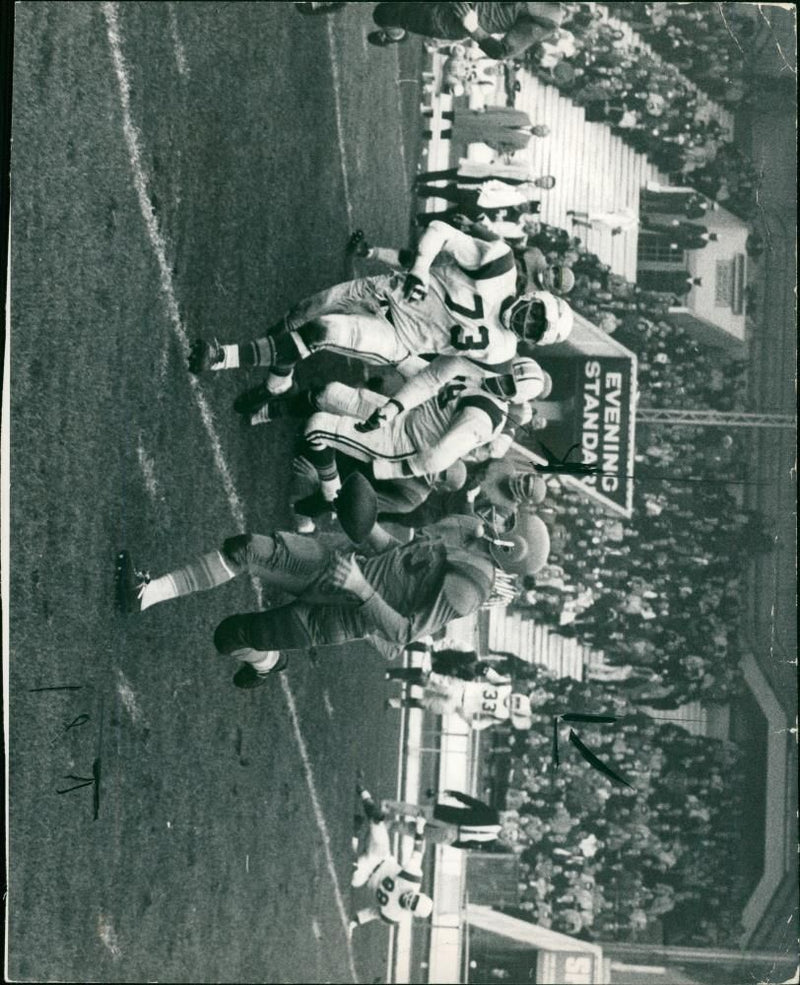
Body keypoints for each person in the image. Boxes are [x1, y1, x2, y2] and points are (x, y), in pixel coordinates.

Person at [115, 482, 552, 688]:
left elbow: (401, 635)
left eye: (510, 522)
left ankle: (267, 664)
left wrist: (362, 588)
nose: (501, 515)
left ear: (511, 548)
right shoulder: (468, 529)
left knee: (229, 635)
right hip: (339, 565)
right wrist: (368, 526)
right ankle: (146, 594)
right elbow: (402, 559)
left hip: (336, 616)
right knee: (246, 548)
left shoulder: (471, 585)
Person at [188, 221, 571, 403]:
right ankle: (277, 385)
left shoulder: (500, 352)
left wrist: (402, 401)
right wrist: (420, 270)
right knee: (301, 314)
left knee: (321, 331)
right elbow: (439, 230)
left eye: (535, 329)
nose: (528, 320)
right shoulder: (499, 265)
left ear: (531, 341)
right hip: (385, 290)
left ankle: (222, 357)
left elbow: (444, 377)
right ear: (537, 297)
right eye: (537, 313)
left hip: (396, 338)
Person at [285, 358, 552, 510]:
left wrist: (392, 469)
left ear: (514, 396)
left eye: (508, 383)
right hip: (405, 414)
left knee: (318, 426)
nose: (499, 379)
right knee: (329, 393)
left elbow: (437, 458)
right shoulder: (480, 373)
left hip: (403, 442)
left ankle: (325, 488)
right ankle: (272, 407)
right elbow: (431, 378)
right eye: (505, 373)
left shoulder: (485, 416)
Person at [350, 782, 433, 934]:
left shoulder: (395, 915)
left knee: (353, 875)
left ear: (412, 912)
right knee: (377, 819)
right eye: (415, 899)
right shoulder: (413, 880)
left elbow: (373, 913)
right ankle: (362, 789)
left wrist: (354, 923)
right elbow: (417, 852)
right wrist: (420, 829)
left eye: (413, 904)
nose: (410, 900)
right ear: (418, 894)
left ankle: (355, 834)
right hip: (382, 855)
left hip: (366, 875)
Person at [368, 2, 565, 61]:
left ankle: (396, 33)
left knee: (384, 13)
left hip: (452, 18)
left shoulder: (549, 18)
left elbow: (503, 51)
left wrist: (473, 27)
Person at [385, 665, 534, 731]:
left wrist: (467, 718)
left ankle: (395, 703)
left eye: (516, 704)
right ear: (517, 694)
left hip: (457, 707)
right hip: (460, 688)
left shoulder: (502, 715)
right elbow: (493, 676)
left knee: (423, 704)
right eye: (517, 699)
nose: (513, 701)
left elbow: (480, 724)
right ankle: (395, 676)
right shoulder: (505, 686)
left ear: (515, 710)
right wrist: (486, 670)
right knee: (426, 681)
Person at [381, 790, 503, 848]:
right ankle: (388, 805)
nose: (508, 835)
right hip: (450, 816)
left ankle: (389, 825)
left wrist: (453, 843)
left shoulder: (490, 843)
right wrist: (455, 794)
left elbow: (470, 846)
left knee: (417, 832)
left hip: (451, 837)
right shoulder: (492, 815)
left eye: (511, 838)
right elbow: (473, 802)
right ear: (510, 825)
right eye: (512, 832)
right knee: (418, 812)